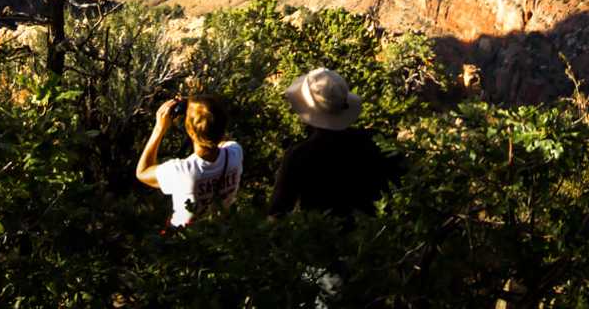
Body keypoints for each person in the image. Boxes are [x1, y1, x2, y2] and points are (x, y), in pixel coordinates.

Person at [268, 67, 400, 219]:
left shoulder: (299, 156)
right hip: (377, 236)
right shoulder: (377, 141)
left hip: (325, 239)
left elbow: (277, 214)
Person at [136, 93, 242, 228]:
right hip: (219, 232)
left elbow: (142, 172)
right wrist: (197, 108)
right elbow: (221, 139)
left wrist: (159, 129)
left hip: (184, 238)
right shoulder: (235, 153)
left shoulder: (182, 172)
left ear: (190, 131)